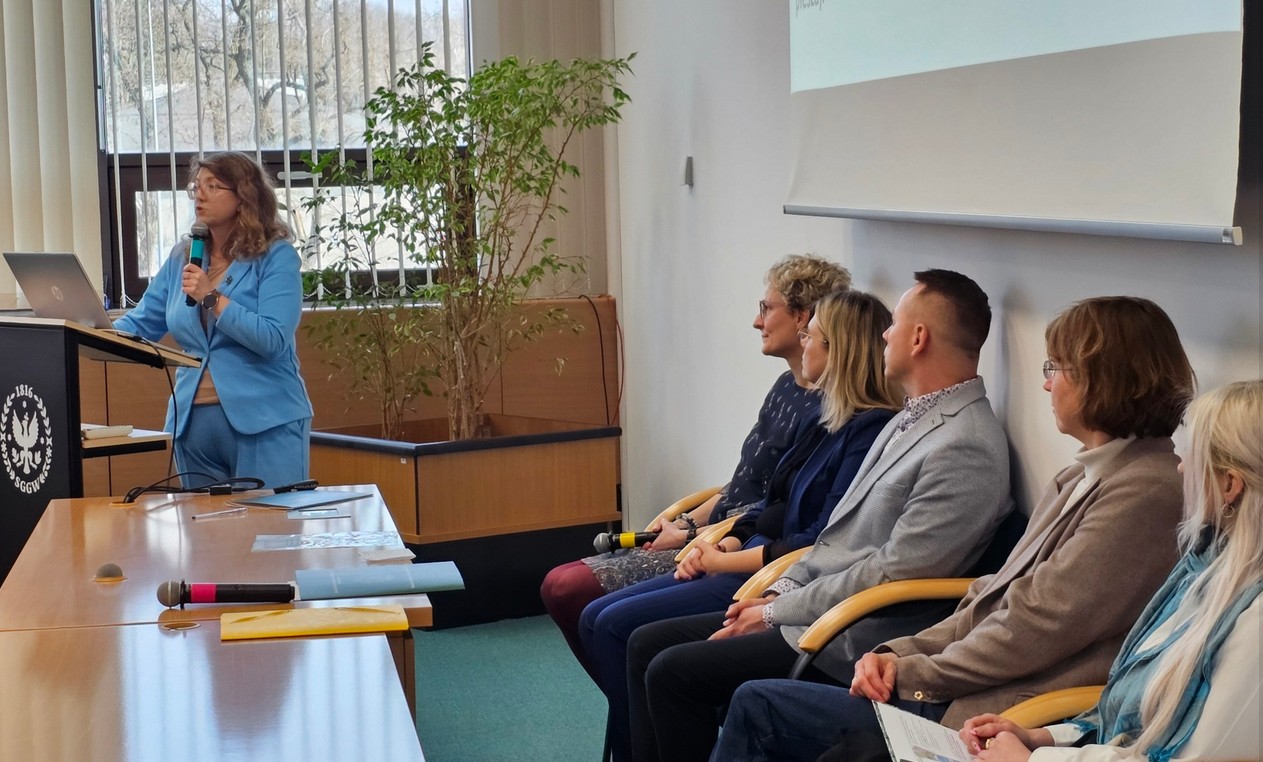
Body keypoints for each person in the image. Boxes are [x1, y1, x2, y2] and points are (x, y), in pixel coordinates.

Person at [712, 296, 1198, 762]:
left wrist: (916, 672)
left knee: (759, 706)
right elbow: (992, 597)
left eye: (1057, 368)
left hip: (1000, 714)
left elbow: (1036, 625)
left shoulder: (1146, 492)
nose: (1047, 385)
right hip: (965, 691)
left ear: (1104, 378)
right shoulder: (1080, 476)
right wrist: (896, 654)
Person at [627, 269, 1016, 762]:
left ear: (919, 338)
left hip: (853, 636)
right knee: (647, 644)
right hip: (817, 607)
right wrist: (779, 592)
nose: (885, 335)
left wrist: (777, 611)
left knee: (673, 672)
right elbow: (838, 539)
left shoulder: (966, 446)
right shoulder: (913, 416)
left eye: (894, 324)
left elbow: (894, 572)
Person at [581, 290, 903, 761]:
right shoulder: (825, 418)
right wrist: (724, 539)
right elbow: (769, 500)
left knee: (624, 632)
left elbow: (823, 538)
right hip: (754, 557)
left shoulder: (868, 430)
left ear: (838, 351)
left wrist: (726, 562)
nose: (803, 340)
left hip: (776, 576)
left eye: (811, 335)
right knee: (604, 621)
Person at [541, 254, 851, 677]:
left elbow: (776, 510)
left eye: (766, 308)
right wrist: (685, 520)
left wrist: (695, 536)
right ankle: (630, 700)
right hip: (715, 535)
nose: (756, 322)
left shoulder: (830, 414)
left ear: (802, 318)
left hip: (731, 546)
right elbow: (742, 483)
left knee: (568, 590)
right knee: (562, 589)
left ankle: (634, 704)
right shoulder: (785, 386)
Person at [962, 379, 1261, 762]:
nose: (1180, 466)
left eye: (1191, 456)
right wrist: (1041, 738)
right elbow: (1127, 715)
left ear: (1229, 485)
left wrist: (1031, 759)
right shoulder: (1205, 563)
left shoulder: (1253, 622)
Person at [113, 151, 313, 488]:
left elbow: (273, 339)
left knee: (267, 521)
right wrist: (85, 328)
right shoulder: (182, 257)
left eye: (213, 186)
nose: (200, 195)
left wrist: (212, 297)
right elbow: (140, 324)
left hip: (265, 420)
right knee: (202, 524)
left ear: (244, 197)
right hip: (193, 426)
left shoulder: (275, 256)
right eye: (196, 187)